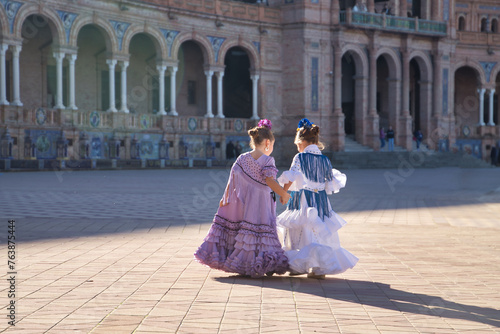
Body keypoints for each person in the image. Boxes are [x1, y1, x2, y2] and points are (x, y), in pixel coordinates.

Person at [194, 119, 291, 277]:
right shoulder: (268, 160)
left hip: (244, 205)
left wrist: (225, 198)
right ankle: (264, 262)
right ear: (267, 142)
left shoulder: (241, 159)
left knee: (245, 232)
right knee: (262, 230)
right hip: (261, 205)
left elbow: (231, 180)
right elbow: (270, 181)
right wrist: (284, 193)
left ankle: (245, 262)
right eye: (272, 144)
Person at [276, 118, 358, 279]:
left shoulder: (300, 157)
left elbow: (292, 176)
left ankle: (299, 265)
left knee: (301, 229)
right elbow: (329, 183)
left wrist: (284, 193)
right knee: (319, 231)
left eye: (297, 143)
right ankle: (320, 266)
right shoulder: (325, 160)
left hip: (303, 198)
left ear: (303, 141)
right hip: (321, 201)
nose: (297, 146)